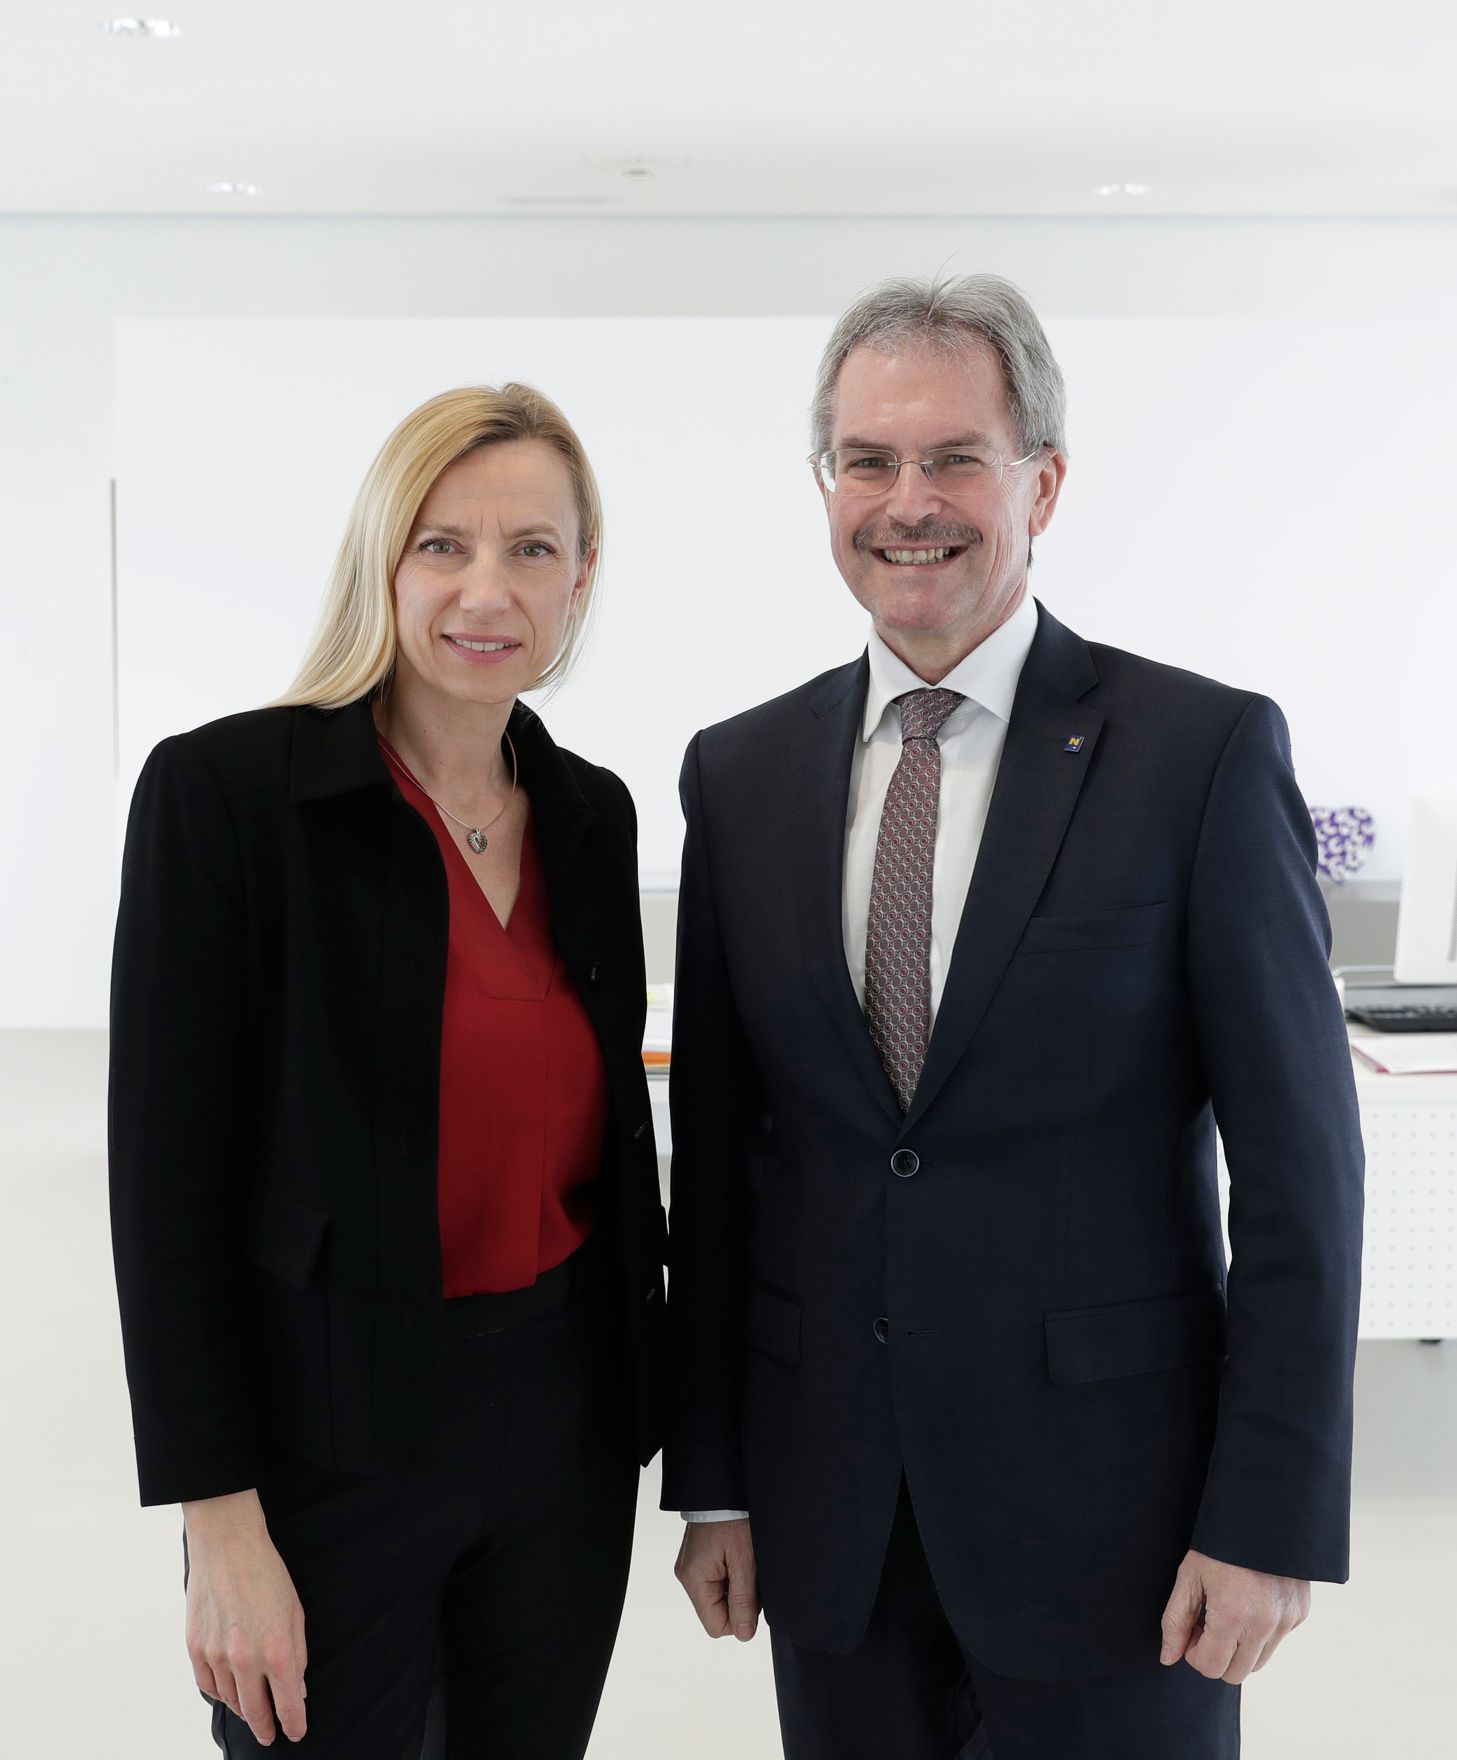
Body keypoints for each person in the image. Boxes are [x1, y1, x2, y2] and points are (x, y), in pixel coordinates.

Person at [663, 275, 1363, 1760]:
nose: (905, 502)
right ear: (822, 486)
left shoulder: (1198, 754)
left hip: (1121, 1532)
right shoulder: (738, 775)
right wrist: (713, 1480)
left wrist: (1268, 1519)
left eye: (952, 457)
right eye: (866, 460)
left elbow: (1304, 1182)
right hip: (830, 1516)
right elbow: (723, 1163)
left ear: (1040, 480)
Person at [109, 383, 667, 1758]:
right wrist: (219, 1530)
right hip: (328, 1438)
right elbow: (164, 1195)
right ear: (383, 562)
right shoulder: (226, 799)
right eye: (442, 544)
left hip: (560, 1431)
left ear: (581, 577)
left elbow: (611, 1143)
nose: (488, 588)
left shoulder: (589, 815)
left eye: (533, 549)